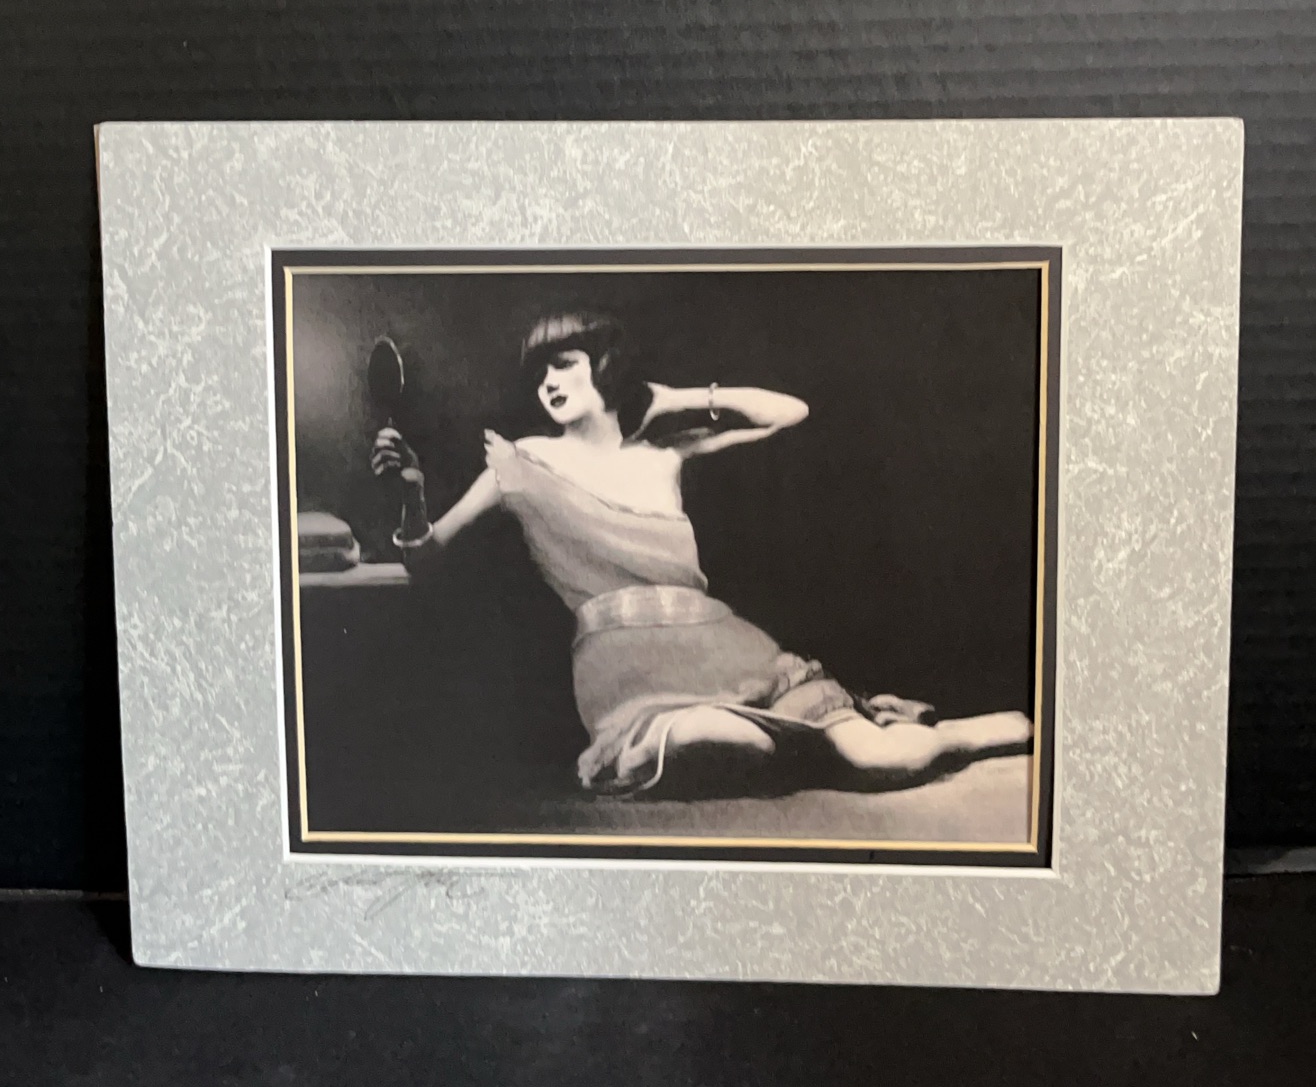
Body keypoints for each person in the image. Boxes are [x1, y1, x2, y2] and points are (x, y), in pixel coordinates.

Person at [371, 309, 1033, 799]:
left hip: (725, 646)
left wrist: (681, 398)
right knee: (721, 738)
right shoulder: (520, 462)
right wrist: (412, 499)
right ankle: (770, 743)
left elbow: (791, 413)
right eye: (540, 371)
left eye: (565, 362)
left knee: (878, 759)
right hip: (627, 669)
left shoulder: (664, 453)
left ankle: (953, 736)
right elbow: (425, 557)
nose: (548, 381)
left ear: (605, 365)